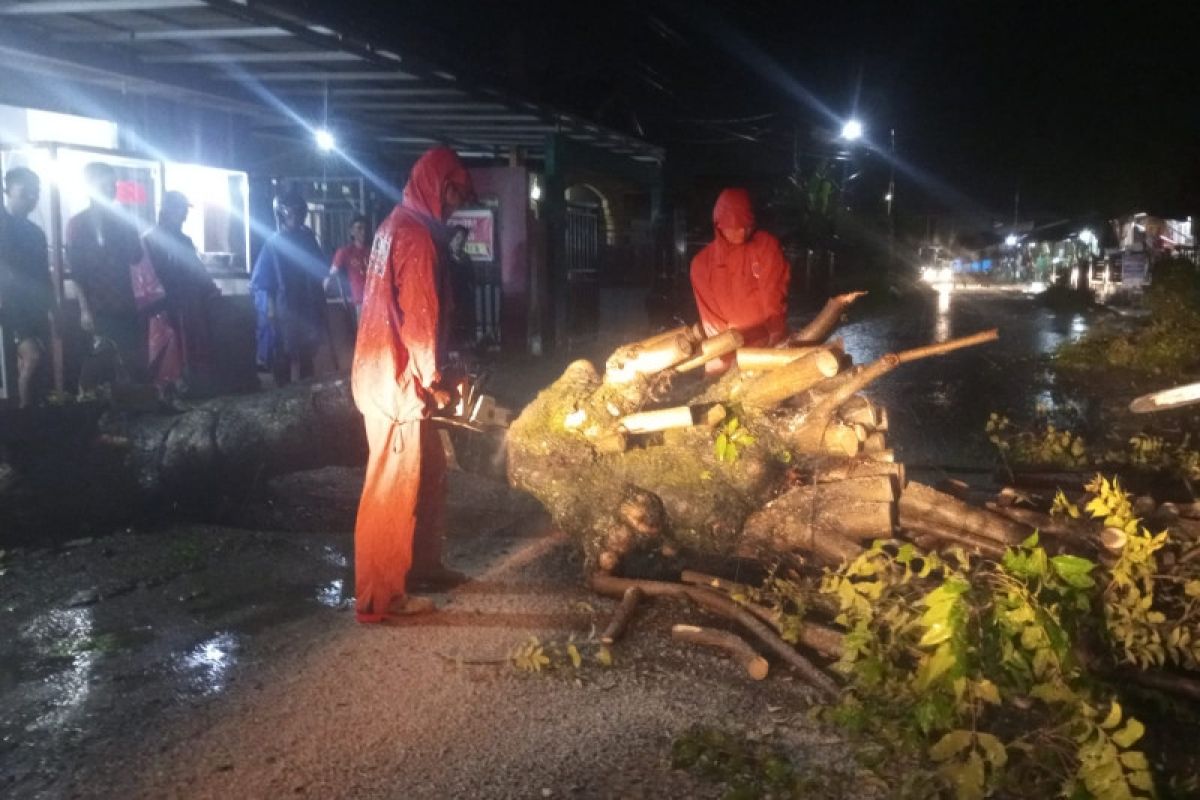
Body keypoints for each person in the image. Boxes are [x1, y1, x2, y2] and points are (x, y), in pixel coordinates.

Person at [351, 146, 473, 622]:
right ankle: (381, 598)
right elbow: (420, 319)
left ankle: (422, 566)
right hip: (397, 380)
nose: (457, 206)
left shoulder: (391, 226)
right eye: (456, 195)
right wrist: (433, 378)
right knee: (392, 487)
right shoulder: (418, 237)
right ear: (439, 187)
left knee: (430, 473)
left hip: (383, 371)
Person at [689, 188, 790, 372]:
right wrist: (727, 351)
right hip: (725, 349)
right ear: (719, 225)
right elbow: (711, 319)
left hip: (766, 342)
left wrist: (774, 335)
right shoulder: (701, 264)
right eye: (735, 228)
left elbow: (774, 295)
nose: (742, 232)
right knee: (714, 390)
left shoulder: (767, 246)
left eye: (747, 225)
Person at [66, 162, 145, 383]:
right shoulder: (78, 224)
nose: (112, 188)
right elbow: (77, 270)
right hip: (98, 305)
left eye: (114, 184)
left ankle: (129, 410)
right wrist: (84, 309)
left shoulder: (122, 221)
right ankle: (95, 410)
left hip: (125, 301)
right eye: (106, 184)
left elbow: (135, 256)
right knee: (100, 359)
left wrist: (131, 227)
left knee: (129, 358)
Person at [143, 191, 219, 393]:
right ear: (167, 211)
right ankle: (167, 388)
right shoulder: (150, 240)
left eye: (185, 210)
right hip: (165, 305)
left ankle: (189, 385)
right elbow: (149, 276)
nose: (184, 215)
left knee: (191, 345)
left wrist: (210, 288)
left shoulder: (184, 240)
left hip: (188, 303)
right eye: (180, 210)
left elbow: (196, 268)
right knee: (167, 346)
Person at [250, 190, 326, 386]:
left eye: (298, 213)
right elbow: (263, 280)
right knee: (282, 353)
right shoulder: (274, 243)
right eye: (290, 213)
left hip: (307, 305)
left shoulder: (308, 241)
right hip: (285, 307)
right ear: (281, 215)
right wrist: (270, 309)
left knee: (307, 354)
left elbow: (319, 270)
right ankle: (281, 395)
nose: (294, 218)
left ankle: (307, 396)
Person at [0, 167, 53, 407]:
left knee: (36, 364)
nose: (32, 199)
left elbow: (44, 274)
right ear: (7, 191)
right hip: (11, 307)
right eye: (25, 193)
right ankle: (24, 415)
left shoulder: (36, 234)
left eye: (35, 194)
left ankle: (32, 414)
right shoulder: (3, 227)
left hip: (36, 307)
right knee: (31, 358)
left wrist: (54, 307)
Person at [326, 214, 370, 321]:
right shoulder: (345, 252)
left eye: (365, 228)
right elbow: (332, 274)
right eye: (359, 228)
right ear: (351, 231)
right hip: (360, 301)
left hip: (377, 300)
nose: (363, 232)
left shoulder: (373, 250)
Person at [445, 224, 477, 355]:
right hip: (449, 297)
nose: (460, 241)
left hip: (464, 299)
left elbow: (472, 278)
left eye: (462, 238)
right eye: (457, 237)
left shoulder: (466, 258)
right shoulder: (445, 258)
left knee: (464, 325)